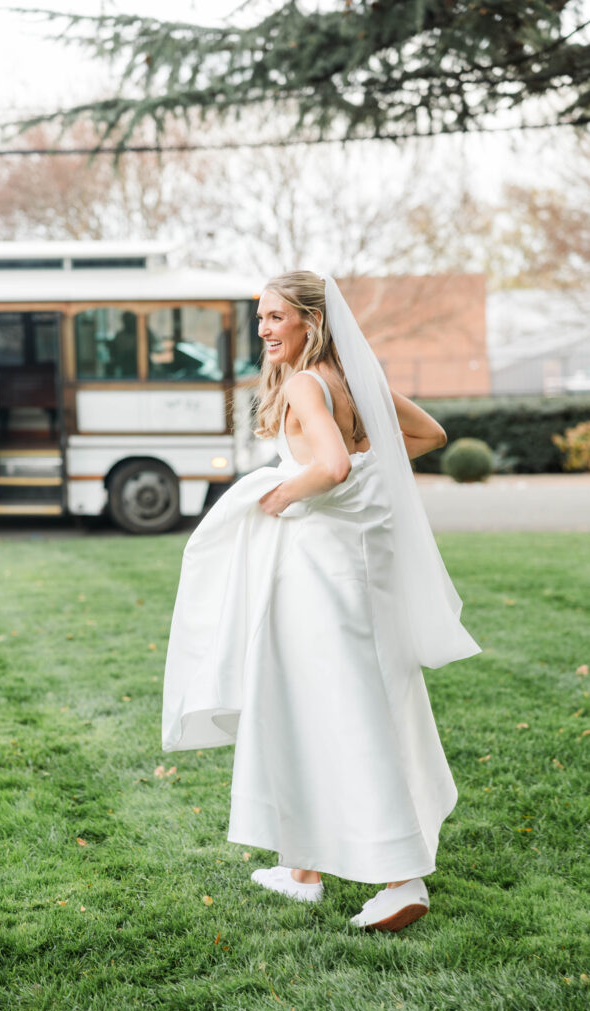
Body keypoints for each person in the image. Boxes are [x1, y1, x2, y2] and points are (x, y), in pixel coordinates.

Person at [161, 271, 481, 932]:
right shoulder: (351, 379)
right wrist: (363, 470)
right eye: (260, 319)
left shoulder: (307, 385)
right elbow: (425, 435)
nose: (264, 330)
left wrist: (279, 494)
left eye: (276, 317)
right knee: (329, 707)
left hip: (317, 579)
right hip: (365, 578)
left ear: (312, 319)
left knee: (343, 712)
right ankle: (301, 869)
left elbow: (332, 466)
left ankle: (400, 878)